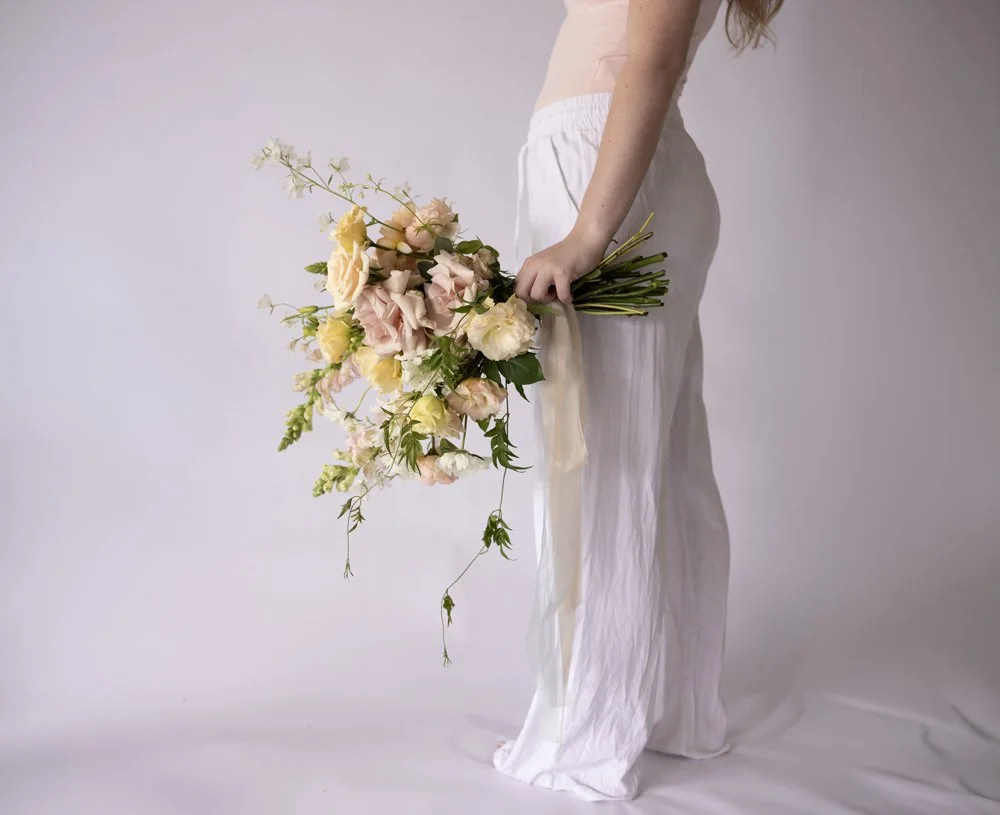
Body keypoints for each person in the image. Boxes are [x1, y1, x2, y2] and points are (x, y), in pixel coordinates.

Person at [495, 0, 784, 802]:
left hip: (604, 169)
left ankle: (582, 731)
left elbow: (647, 64)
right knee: (657, 456)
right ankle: (666, 708)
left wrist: (588, 235)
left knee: (602, 461)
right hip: (615, 163)